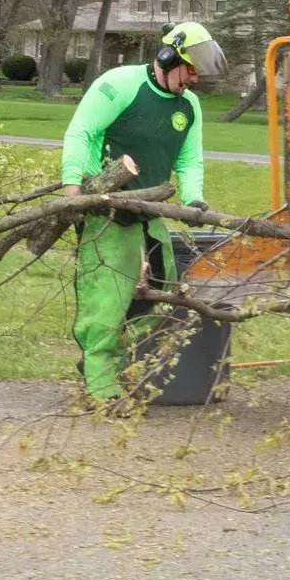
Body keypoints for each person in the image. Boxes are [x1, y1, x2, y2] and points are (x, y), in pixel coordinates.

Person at [59, 22, 227, 401]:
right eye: (191, 70)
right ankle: (101, 391)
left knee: (163, 295)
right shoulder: (120, 84)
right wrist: (73, 185)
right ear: (169, 58)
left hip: (149, 211)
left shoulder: (189, 106)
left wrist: (194, 200)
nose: (194, 80)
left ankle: (100, 366)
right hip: (107, 213)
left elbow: (189, 158)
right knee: (107, 300)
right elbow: (80, 132)